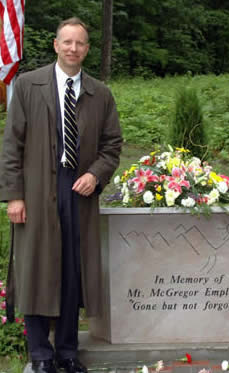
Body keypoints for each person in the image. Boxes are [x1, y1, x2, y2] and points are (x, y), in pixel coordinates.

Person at [0, 18, 123, 373]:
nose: (73, 48)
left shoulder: (100, 93)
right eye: (67, 42)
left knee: (72, 270)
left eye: (80, 43)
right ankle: (40, 355)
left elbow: (112, 145)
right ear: (56, 45)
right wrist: (14, 196)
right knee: (37, 269)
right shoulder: (27, 86)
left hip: (78, 192)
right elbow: (12, 146)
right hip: (37, 191)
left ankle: (68, 351)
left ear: (87, 49)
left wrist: (95, 174)